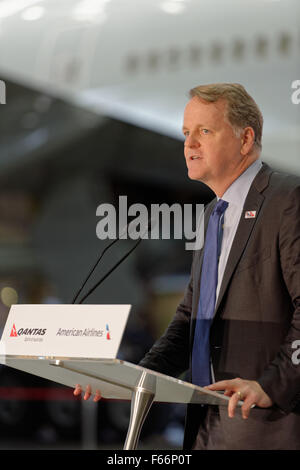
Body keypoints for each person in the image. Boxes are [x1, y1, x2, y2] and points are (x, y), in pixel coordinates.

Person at [74, 83, 300, 450]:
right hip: (207, 430)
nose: (189, 144)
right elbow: (189, 322)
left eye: (204, 131)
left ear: (245, 140)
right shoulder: (213, 214)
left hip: (266, 429)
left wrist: (270, 385)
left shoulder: (287, 200)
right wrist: (127, 378)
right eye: (186, 133)